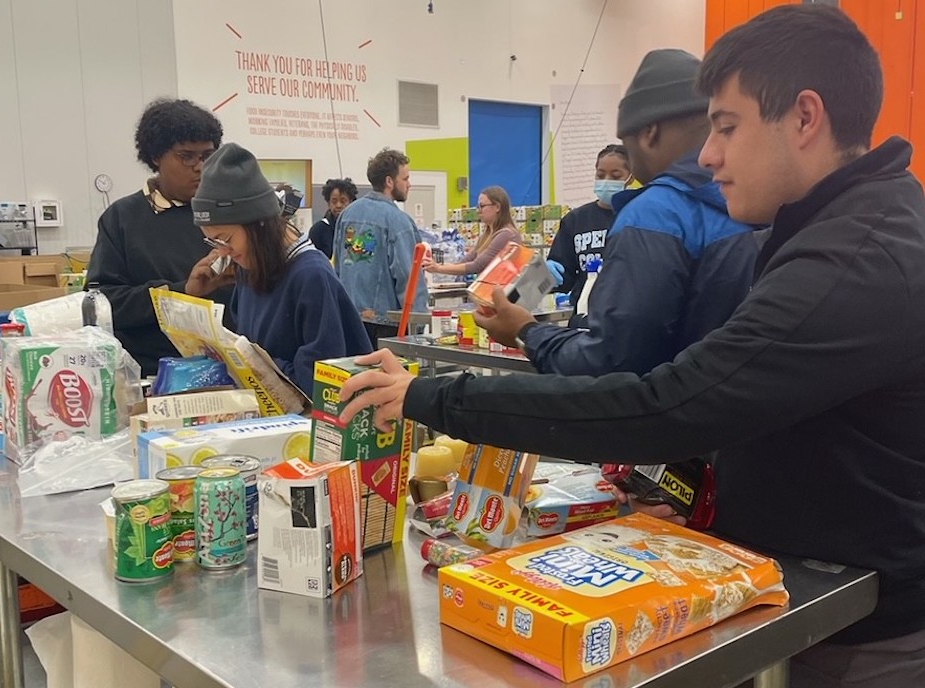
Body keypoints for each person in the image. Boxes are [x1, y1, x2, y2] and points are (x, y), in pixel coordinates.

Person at [338, 6, 925, 686]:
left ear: (804, 117)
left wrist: (428, 395)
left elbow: (666, 404)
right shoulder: (839, 225)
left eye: (727, 128)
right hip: (802, 589)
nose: (708, 155)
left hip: (858, 628)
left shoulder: (854, 260)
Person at [488, 49, 758, 378]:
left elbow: (611, 361)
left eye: (626, 147)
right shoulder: (751, 202)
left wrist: (528, 332)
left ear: (649, 132)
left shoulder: (656, 214)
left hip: (663, 418)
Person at [185, 143, 371, 399]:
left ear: (259, 224)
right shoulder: (248, 270)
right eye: (214, 242)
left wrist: (256, 363)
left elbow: (322, 385)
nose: (224, 251)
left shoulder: (311, 277)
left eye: (226, 238)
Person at [86, 98, 231, 376]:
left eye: (207, 156)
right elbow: (101, 303)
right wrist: (179, 294)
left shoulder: (230, 213)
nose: (200, 167)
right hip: (155, 376)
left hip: (230, 370)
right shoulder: (123, 218)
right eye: (186, 156)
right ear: (155, 156)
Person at [333, 148, 428, 348]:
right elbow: (408, 277)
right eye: (405, 178)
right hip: (387, 325)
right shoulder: (398, 222)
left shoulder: (347, 215)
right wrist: (418, 325)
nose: (409, 184)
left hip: (350, 319)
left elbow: (339, 267)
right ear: (389, 182)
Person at [546, 145, 632, 327]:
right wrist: (546, 274)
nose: (606, 181)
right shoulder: (576, 220)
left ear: (630, 178)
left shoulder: (637, 216)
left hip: (625, 320)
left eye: (616, 176)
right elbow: (563, 277)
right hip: (584, 320)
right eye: (600, 175)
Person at [422, 186, 522, 277]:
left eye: (482, 206)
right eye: (478, 207)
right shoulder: (485, 236)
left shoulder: (507, 235)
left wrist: (438, 268)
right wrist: (435, 265)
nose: (478, 211)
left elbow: (477, 266)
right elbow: (465, 261)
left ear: (497, 207)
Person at [310, 178, 358, 260]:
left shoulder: (358, 227)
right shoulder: (318, 230)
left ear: (351, 202)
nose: (338, 205)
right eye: (334, 201)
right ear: (328, 203)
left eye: (343, 201)